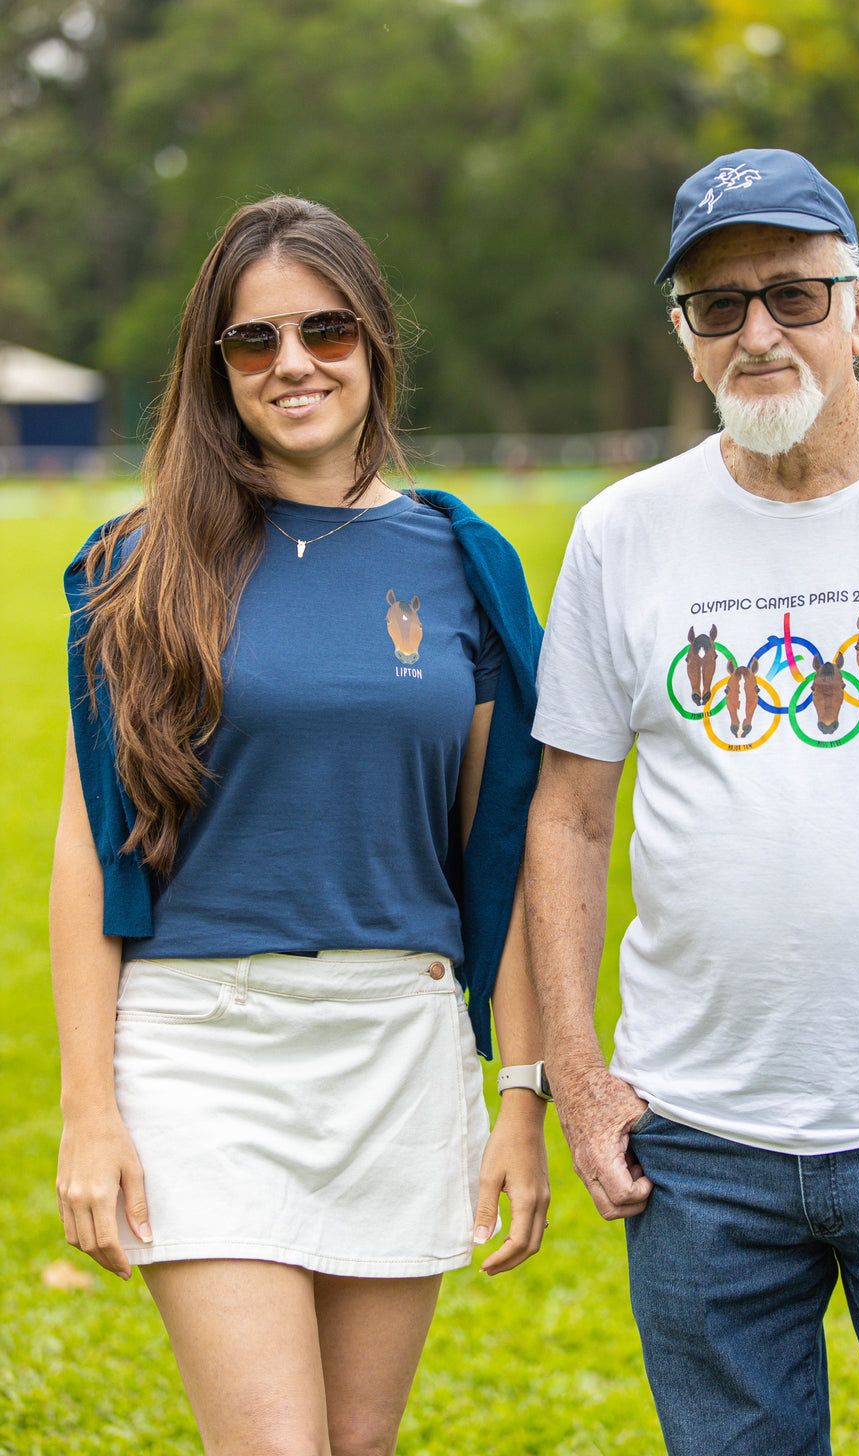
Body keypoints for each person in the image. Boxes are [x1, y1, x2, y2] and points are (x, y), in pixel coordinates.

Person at [524, 148, 859, 1455]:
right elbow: (570, 814)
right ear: (682, 334)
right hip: (698, 1144)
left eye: (794, 296)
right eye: (717, 304)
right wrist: (576, 1071)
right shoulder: (621, 533)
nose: (758, 332)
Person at [52, 194, 550, 1456]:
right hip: (202, 1055)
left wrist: (525, 1098)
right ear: (213, 368)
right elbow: (85, 848)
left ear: (376, 338)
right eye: (253, 340)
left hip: (395, 1038)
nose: (293, 365)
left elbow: (514, 844)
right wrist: (90, 1111)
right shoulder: (139, 560)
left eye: (325, 329)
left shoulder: (462, 560)